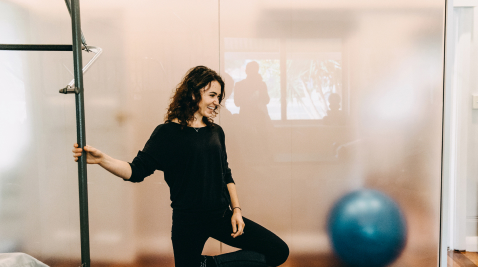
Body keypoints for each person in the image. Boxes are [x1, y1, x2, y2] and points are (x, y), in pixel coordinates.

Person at [72, 66, 289, 267]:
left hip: (221, 216)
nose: (217, 102)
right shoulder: (166, 134)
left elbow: (226, 174)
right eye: (212, 95)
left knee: (278, 251)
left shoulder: (216, 132)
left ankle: (208, 264)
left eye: (219, 97)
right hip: (188, 222)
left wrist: (237, 211)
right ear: (194, 94)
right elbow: (135, 171)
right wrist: (102, 160)